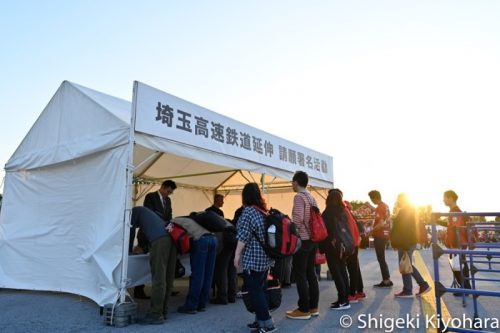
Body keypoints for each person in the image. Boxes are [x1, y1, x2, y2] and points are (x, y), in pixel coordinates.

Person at [234, 183, 276, 333]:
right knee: (261, 290)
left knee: (255, 292)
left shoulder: (248, 212)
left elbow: (243, 237)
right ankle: (260, 321)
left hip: (253, 259)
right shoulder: (263, 211)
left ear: (245, 196)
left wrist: (236, 255)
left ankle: (268, 324)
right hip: (265, 259)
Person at [130, 207, 177, 325]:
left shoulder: (133, 211)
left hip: (160, 240)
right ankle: (163, 311)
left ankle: (155, 314)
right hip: (172, 239)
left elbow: (130, 231)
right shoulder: (150, 212)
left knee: (158, 278)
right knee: (167, 277)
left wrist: (129, 249)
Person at [134, 180, 177, 299]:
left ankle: (164, 288)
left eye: (170, 193)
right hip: (147, 233)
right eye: (168, 191)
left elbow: (169, 216)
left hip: (161, 234)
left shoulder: (168, 200)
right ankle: (139, 289)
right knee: (143, 262)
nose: (168, 194)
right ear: (163, 187)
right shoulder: (150, 196)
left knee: (159, 264)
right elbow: (149, 214)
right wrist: (162, 221)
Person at [286, 171, 320, 320]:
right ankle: (313, 307)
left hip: (303, 240)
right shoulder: (312, 197)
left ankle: (303, 309)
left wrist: (294, 232)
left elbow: (298, 219)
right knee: (311, 273)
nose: (291, 185)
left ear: (296, 182)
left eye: (292, 182)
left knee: (300, 274)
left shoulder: (299, 197)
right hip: (313, 239)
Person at [173, 215, 218, 314]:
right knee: (208, 274)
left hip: (201, 240)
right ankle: (202, 304)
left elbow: (175, 237)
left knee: (198, 274)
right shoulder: (191, 220)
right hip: (213, 239)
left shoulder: (173, 222)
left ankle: (191, 306)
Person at [390, 193, 431, 298]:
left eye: (398, 199)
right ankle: (421, 285)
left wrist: (403, 245)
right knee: (407, 264)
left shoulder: (406, 211)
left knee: (406, 265)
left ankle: (409, 289)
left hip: (406, 242)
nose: (397, 201)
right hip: (407, 242)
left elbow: (405, 230)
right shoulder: (409, 210)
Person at [321, 190, 352, 310]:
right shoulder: (343, 211)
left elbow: (325, 230)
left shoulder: (328, 212)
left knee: (336, 272)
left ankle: (343, 300)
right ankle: (345, 298)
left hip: (332, 246)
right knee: (343, 270)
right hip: (343, 245)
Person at [334, 189, 366, 303]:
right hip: (355, 241)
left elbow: (347, 229)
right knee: (355, 267)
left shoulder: (342, 210)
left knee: (352, 268)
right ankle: (359, 291)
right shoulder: (347, 209)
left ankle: (352, 294)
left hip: (351, 242)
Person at [440, 190, 472, 295]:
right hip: (457, 243)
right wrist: (437, 221)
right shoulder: (454, 211)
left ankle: (465, 289)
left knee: (459, 265)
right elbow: (450, 225)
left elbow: (455, 228)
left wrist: (453, 245)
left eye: (444, 197)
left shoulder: (455, 211)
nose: (443, 200)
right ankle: (465, 287)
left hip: (458, 243)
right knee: (459, 264)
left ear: (451, 198)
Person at [207, 194, 238, 305]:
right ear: (217, 200)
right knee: (231, 269)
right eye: (222, 200)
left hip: (224, 242)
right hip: (231, 240)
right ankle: (231, 295)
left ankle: (223, 296)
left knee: (222, 269)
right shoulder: (211, 211)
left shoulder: (213, 213)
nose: (223, 202)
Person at [368, 190, 393, 288]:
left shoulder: (379, 207)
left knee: (381, 258)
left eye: (371, 199)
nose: (371, 201)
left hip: (380, 235)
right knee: (382, 258)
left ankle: (386, 280)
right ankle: (387, 279)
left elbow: (381, 223)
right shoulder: (386, 206)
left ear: (374, 198)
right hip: (385, 234)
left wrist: (372, 230)